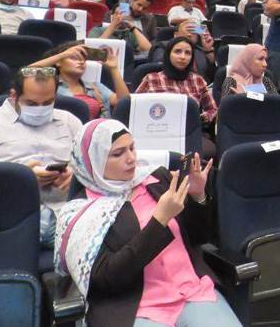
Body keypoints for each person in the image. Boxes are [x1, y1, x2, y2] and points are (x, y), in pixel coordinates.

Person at [55, 119, 239, 327]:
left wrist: (198, 196)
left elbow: (199, 237)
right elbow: (105, 279)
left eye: (132, 148)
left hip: (192, 291)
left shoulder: (157, 179)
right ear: (93, 162)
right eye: (118, 154)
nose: (131, 158)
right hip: (135, 306)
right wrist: (159, 221)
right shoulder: (82, 213)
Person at [0, 67, 80, 248]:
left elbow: (96, 168)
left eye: (48, 102)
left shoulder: (69, 122)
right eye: (31, 103)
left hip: (67, 213)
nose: (40, 109)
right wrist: (20, 180)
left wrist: (77, 176)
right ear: (13, 95)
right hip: (9, 216)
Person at [30, 42, 129, 120]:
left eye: (83, 59)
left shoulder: (95, 86)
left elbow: (124, 102)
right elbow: (26, 73)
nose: (81, 62)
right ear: (59, 62)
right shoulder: (49, 86)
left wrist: (113, 68)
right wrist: (64, 54)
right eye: (74, 58)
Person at [136, 37, 217, 125]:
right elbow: (134, 106)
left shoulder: (197, 80)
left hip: (188, 128)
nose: (183, 57)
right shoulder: (152, 79)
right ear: (168, 54)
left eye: (188, 53)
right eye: (177, 51)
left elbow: (212, 109)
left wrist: (205, 117)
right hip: (157, 127)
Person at [89, 4, 153, 55]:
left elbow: (148, 49)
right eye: (117, 14)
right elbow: (93, 51)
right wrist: (113, 25)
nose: (121, 17)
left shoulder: (131, 33)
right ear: (111, 16)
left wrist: (132, 27)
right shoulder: (97, 30)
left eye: (125, 14)